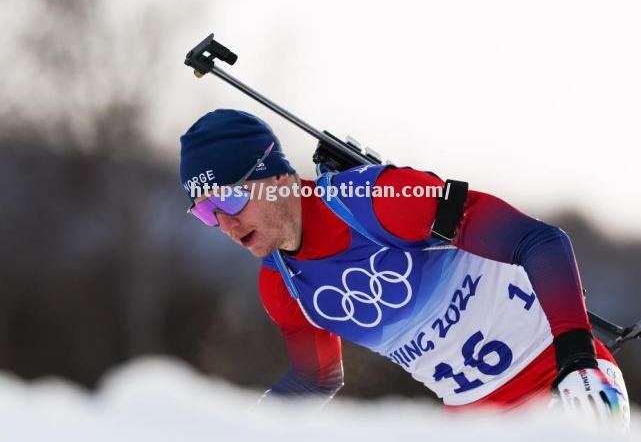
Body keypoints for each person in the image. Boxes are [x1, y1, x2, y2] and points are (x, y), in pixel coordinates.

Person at [179, 109, 629, 425]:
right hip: (479, 424)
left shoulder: (375, 201)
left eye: (231, 197)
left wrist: (578, 361)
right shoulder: (282, 285)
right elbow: (317, 376)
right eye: (205, 212)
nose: (224, 222)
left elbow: (541, 241)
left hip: (566, 385)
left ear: (279, 178)